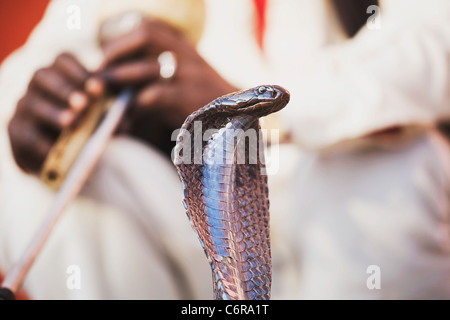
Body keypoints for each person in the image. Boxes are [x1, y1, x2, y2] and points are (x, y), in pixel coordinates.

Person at [2, 0, 450, 299]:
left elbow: (436, 41)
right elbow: (45, 54)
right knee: (53, 177)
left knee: (394, 162)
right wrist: (34, 114)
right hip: (216, 243)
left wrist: (255, 103)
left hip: (357, 231)